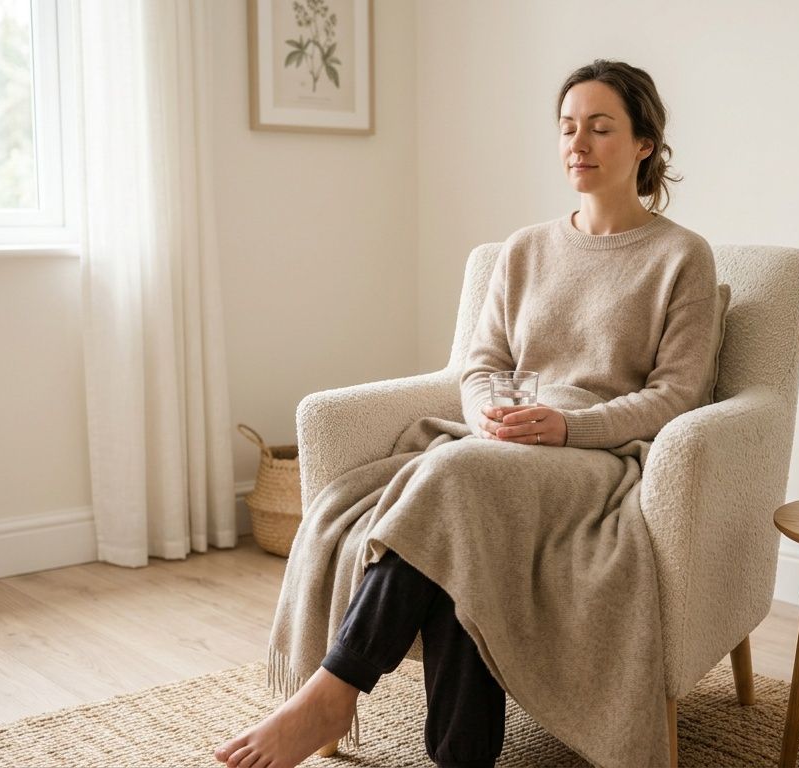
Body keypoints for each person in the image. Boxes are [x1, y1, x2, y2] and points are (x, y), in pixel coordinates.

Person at [215, 58, 719, 768]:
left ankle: (335, 685)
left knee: (453, 479)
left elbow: (677, 395)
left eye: (601, 127)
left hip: (595, 461)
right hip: (497, 448)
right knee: (463, 529)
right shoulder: (524, 250)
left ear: (643, 144)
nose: (578, 142)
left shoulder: (681, 258)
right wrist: (488, 415)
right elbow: (480, 366)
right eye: (568, 127)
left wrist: (567, 426)